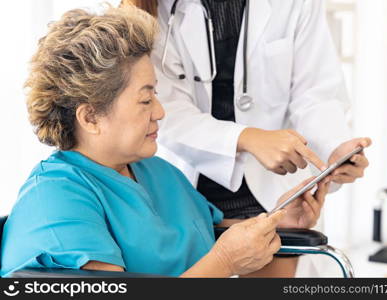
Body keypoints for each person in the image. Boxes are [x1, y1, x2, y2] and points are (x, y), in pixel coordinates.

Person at [0, 5, 330, 278]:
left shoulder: (159, 174)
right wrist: (224, 262)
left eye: (156, 95)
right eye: (145, 101)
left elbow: (244, 264)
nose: (160, 112)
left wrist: (278, 224)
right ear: (90, 117)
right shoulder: (55, 199)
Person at [124, 0, 371, 276]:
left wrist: (334, 148)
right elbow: (162, 109)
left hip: (273, 202)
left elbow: (316, 94)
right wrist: (247, 138)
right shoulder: (150, 9)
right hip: (187, 198)